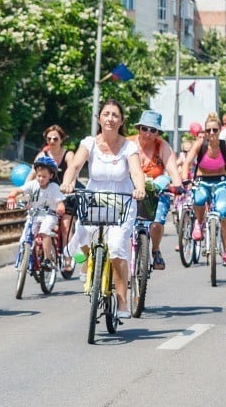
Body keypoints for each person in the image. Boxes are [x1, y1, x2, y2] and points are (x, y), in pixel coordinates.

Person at [61, 99, 146, 319]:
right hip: (94, 198)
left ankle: (122, 299)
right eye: (106, 114)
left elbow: (137, 172)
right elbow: (75, 166)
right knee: (82, 237)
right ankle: (87, 263)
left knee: (117, 248)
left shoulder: (129, 147)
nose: (110, 118)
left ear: (121, 121)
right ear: (99, 118)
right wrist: (68, 182)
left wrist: (139, 188)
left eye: (115, 115)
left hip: (122, 200)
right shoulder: (89, 143)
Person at [127, 110, 182, 270]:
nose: (148, 133)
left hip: (156, 193)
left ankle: (155, 249)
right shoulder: (128, 144)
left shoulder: (162, 146)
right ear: (139, 128)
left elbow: (172, 170)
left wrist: (177, 185)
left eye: (153, 130)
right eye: (145, 128)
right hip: (131, 191)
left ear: (158, 132)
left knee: (156, 224)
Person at [28, 125, 76, 269]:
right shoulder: (42, 155)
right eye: (49, 138)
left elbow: (73, 172)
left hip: (66, 194)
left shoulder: (68, 154)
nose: (52, 141)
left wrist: (70, 186)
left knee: (65, 226)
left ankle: (68, 257)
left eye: (55, 138)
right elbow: (31, 174)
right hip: (48, 195)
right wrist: (25, 190)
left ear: (61, 139)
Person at [6, 155, 65, 268]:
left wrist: (60, 206)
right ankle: (27, 257)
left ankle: (47, 259)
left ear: (51, 176)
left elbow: (60, 200)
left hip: (49, 215)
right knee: (26, 236)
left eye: (44, 176)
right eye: (39, 176)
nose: (41, 179)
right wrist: (12, 196)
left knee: (44, 231)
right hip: (35, 214)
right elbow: (19, 190)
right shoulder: (32, 184)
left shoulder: (53, 187)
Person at [183, 113, 226, 263]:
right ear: (205, 131)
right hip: (202, 181)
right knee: (199, 198)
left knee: (223, 211)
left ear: (220, 130)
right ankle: (199, 223)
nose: (212, 133)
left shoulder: (223, 146)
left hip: (221, 183)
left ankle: (225, 249)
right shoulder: (201, 144)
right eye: (209, 130)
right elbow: (187, 162)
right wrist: (185, 180)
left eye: (215, 130)